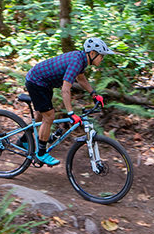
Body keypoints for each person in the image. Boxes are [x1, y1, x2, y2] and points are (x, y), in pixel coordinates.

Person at [24, 37, 115, 165]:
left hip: (44, 83)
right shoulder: (77, 61)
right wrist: (71, 113)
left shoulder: (82, 60)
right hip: (36, 82)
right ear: (93, 53)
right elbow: (65, 89)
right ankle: (41, 154)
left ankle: (23, 140)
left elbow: (81, 78)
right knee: (49, 116)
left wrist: (93, 94)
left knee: (41, 114)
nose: (102, 59)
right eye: (102, 56)